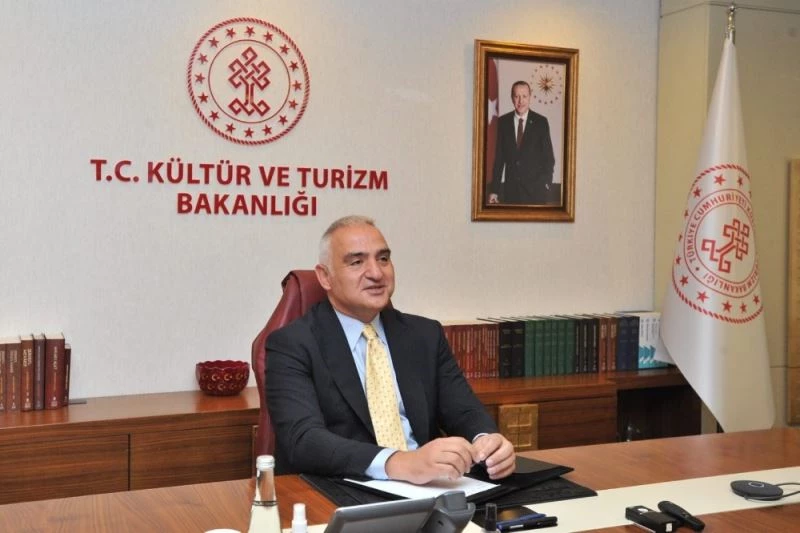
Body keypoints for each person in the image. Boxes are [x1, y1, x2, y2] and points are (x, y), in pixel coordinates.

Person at [266, 215, 516, 484]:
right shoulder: (292, 344)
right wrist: (398, 462)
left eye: (383, 259)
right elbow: (304, 440)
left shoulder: (425, 335)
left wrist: (487, 442)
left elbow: (464, 411)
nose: (376, 273)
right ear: (325, 277)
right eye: (357, 262)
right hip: (345, 487)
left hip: (431, 487)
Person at [488, 80, 556, 205]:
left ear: (530, 97)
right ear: (512, 98)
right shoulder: (503, 122)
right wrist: (494, 190)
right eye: (517, 96)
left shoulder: (541, 122)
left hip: (536, 193)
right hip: (511, 193)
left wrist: (546, 184)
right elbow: (499, 160)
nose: (520, 101)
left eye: (524, 96)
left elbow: (549, 158)